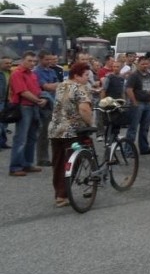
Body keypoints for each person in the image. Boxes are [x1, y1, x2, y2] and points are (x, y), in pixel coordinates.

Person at [48, 62, 94, 207]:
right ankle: (64, 194)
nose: (88, 78)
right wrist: (90, 124)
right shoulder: (80, 88)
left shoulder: (61, 86)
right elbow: (84, 110)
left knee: (58, 163)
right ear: (76, 75)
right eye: (86, 75)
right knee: (73, 161)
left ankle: (59, 195)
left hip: (55, 130)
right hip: (73, 131)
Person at [8, 51, 49, 177]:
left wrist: (44, 99)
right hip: (23, 107)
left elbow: (38, 90)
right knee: (21, 138)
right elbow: (23, 92)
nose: (32, 63)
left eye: (34, 61)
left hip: (33, 107)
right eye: (29, 61)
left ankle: (27, 164)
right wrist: (38, 101)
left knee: (32, 137)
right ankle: (15, 167)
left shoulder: (32, 74)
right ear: (22, 60)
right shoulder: (17, 73)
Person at [125, 56, 150, 155]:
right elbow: (129, 89)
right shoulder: (134, 75)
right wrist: (134, 102)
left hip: (147, 103)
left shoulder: (149, 75)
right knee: (133, 128)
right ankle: (128, 150)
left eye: (146, 64)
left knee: (145, 128)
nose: (145, 66)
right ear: (138, 64)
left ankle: (144, 148)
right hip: (138, 103)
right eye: (143, 64)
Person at [0, 56, 11, 149]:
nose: (9, 65)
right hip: (1, 101)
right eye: (6, 63)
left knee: (4, 124)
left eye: (10, 63)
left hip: (9, 101)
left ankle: (3, 143)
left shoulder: (11, 73)